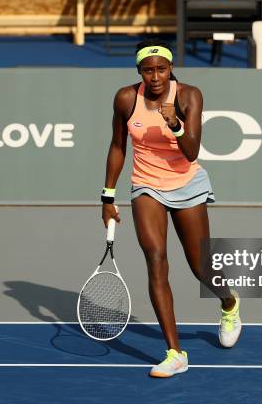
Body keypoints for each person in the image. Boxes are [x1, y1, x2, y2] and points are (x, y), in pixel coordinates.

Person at [101, 40, 241, 378]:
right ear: (139, 72)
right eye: (147, 71)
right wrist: (107, 197)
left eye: (161, 69)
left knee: (200, 268)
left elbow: (191, 152)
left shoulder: (189, 95)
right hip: (146, 186)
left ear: (170, 68)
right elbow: (118, 146)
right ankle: (175, 353)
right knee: (156, 260)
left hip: (187, 185)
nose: (155, 77)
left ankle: (229, 302)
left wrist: (175, 123)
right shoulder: (125, 99)